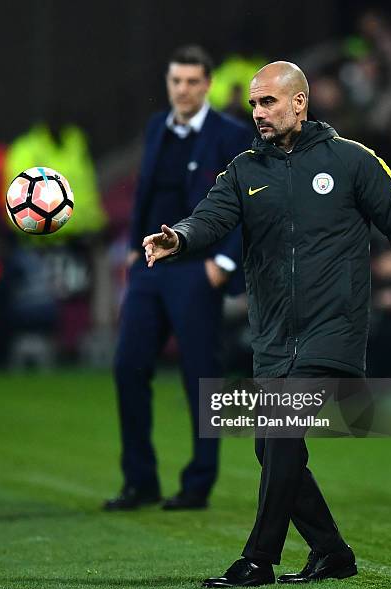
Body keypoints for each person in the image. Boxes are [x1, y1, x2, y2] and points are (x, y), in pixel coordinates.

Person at [142, 61, 391, 586]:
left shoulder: (352, 161)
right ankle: (332, 552)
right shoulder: (243, 171)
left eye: (269, 102)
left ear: (299, 103)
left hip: (335, 331)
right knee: (271, 444)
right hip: (275, 336)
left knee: (279, 431)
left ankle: (258, 559)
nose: (258, 112)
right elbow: (209, 216)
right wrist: (181, 238)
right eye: (254, 104)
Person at [105, 46, 252, 512]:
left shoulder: (231, 135)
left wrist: (223, 264)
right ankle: (140, 481)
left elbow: (252, 204)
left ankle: (198, 483)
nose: (182, 90)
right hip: (150, 270)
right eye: (175, 81)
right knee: (128, 367)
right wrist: (132, 249)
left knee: (201, 379)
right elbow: (147, 193)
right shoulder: (157, 128)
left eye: (191, 81)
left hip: (197, 270)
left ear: (207, 83)